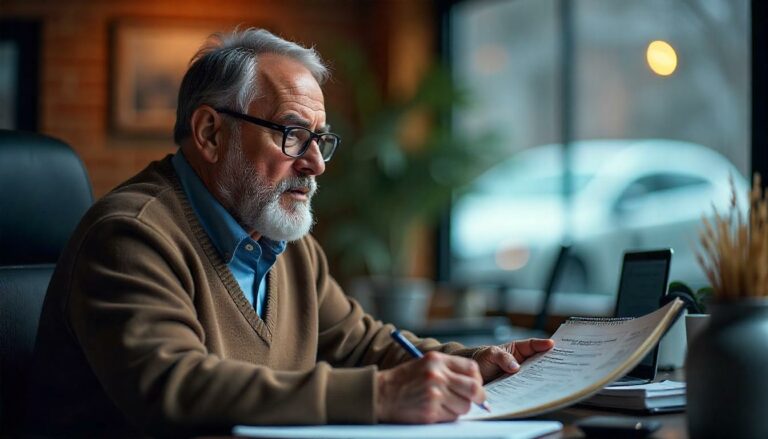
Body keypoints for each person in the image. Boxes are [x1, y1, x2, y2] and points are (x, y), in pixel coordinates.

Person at [25, 28, 554, 437]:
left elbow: (361, 344)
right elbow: (173, 387)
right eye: (293, 135)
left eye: (320, 138)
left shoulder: (285, 242)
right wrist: (381, 396)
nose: (317, 164)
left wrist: (471, 363)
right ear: (211, 133)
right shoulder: (130, 237)